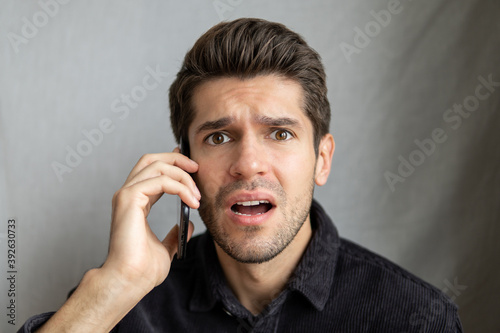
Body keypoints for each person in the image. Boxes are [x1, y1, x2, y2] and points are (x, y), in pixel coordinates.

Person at [19, 18, 462, 332]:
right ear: (181, 169)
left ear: (321, 159)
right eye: (218, 137)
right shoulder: (124, 306)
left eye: (281, 133)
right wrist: (115, 287)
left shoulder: (414, 316)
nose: (248, 163)